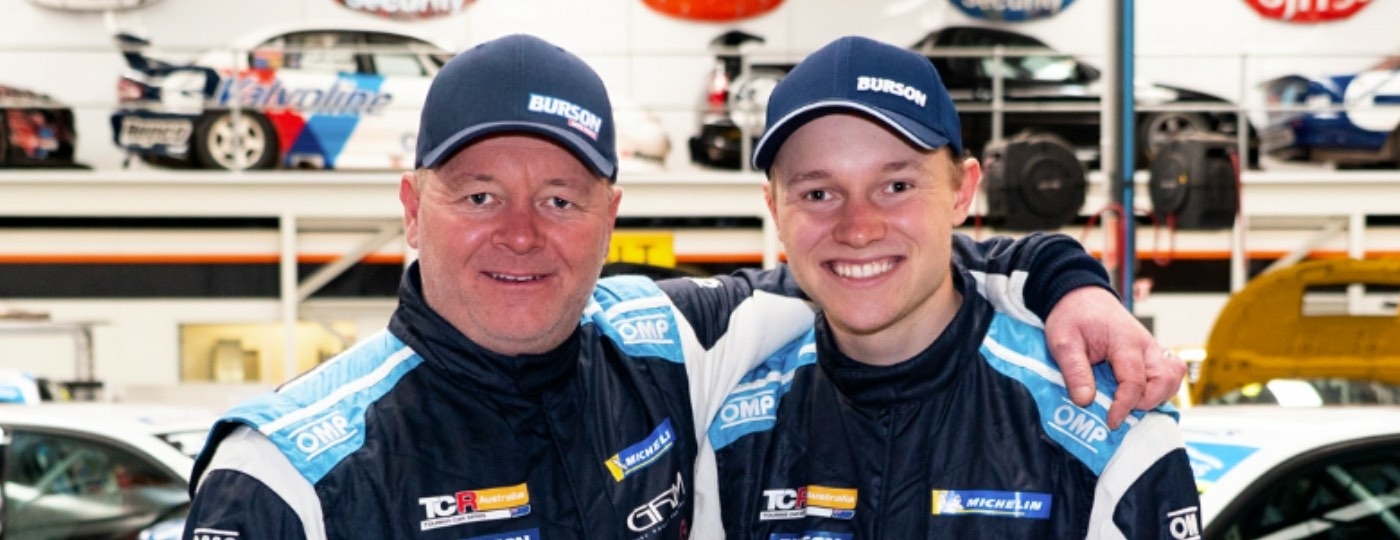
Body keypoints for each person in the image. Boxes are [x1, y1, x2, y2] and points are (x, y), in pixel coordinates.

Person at [181, 34, 1183, 539]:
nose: (522, 233)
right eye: (479, 192)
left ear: (612, 216)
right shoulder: (291, 475)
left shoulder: (667, 346)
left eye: (563, 199)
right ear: (410, 205)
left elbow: (888, 272)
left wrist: (1062, 278)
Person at [704, 36, 1200, 539]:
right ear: (774, 209)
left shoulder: (1107, 426)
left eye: (897, 186)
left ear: (962, 191)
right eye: (818, 193)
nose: (858, 228)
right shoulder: (722, 419)